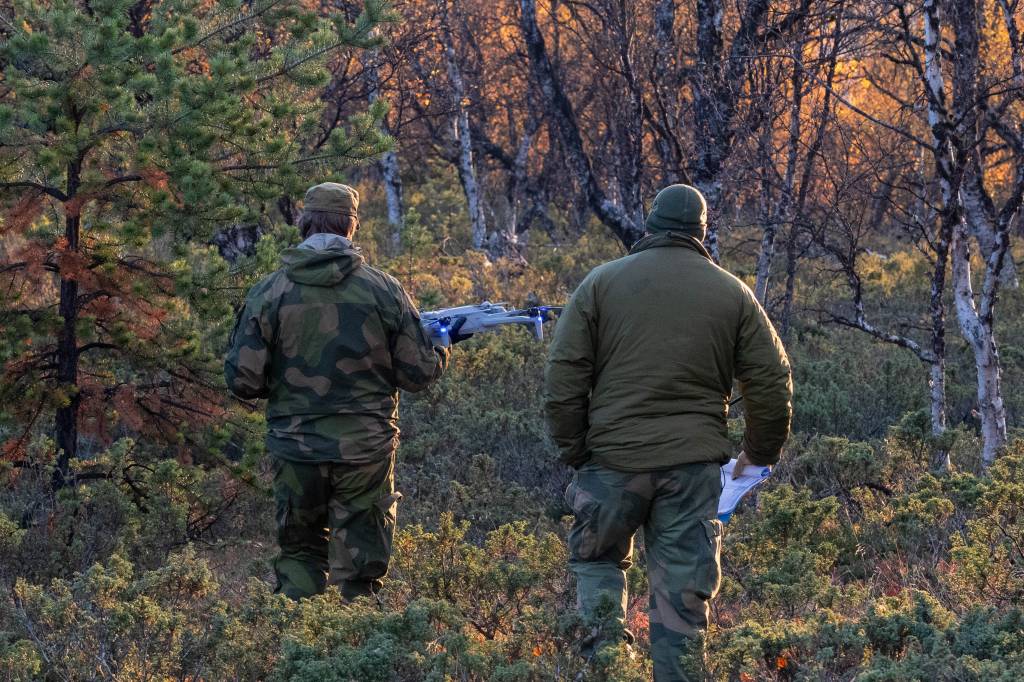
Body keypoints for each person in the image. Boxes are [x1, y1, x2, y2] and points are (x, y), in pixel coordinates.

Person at [544, 184, 793, 680]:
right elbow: (771, 381)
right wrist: (757, 455)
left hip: (611, 463)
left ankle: (608, 667)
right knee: (681, 591)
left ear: (650, 224)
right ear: (702, 232)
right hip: (693, 470)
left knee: (597, 561)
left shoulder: (600, 283)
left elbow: (564, 376)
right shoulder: (732, 292)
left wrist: (577, 452)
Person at [225, 182, 470, 601]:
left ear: (304, 224)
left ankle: (294, 652)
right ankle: (356, 650)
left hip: (295, 447)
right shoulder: (384, 289)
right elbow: (418, 375)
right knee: (361, 568)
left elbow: (243, 381)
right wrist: (442, 345)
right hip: (366, 448)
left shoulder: (270, 292)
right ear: (351, 226)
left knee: (300, 553)